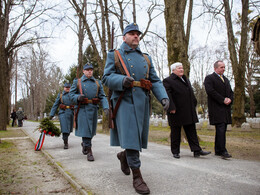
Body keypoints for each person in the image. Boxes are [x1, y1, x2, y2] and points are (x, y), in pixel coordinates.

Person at [102, 23, 169, 194]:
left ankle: (124, 156)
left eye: (137, 34)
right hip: (124, 101)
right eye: (131, 34)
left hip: (142, 102)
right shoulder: (115, 55)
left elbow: (154, 80)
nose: (135, 36)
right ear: (124, 37)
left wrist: (163, 97)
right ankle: (137, 177)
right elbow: (106, 78)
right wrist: (120, 80)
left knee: (135, 139)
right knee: (132, 138)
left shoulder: (146, 58)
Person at [163, 62, 211, 159]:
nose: (181, 69)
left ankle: (197, 150)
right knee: (176, 132)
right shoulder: (168, 81)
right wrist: (171, 107)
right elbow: (167, 95)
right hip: (176, 110)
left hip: (188, 110)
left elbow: (190, 92)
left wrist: (194, 102)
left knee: (191, 131)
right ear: (173, 70)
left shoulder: (185, 79)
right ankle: (175, 151)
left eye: (182, 68)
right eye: (179, 68)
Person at [70, 63, 109, 161]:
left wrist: (106, 107)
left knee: (91, 132)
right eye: (87, 70)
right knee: (87, 130)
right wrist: (78, 97)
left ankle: (85, 144)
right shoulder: (77, 82)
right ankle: (90, 152)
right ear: (83, 71)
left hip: (93, 109)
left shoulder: (97, 82)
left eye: (91, 70)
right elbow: (71, 95)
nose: (89, 71)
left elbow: (102, 96)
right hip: (82, 109)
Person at [204, 60, 233, 159]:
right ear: (215, 68)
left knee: (222, 129)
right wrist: (222, 99)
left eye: (224, 67)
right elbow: (210, 91)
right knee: (220, 128)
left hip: (225, 108)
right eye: (221, 67)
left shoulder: (226, 79)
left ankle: (218, 150)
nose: (223, 69)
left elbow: (230, 91)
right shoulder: (209, 78)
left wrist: (230, 99)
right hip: (216, 108)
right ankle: (223, 151)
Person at [49, 83, 74, 149]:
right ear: (64, 88)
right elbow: (55, 105)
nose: (67, 88)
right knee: (64, 128)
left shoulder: (73, 94)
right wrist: (51, 114)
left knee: (69, 130)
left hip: (71, 113)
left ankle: (65, 138)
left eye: (68, 87)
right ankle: (65, 143)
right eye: (66, 87)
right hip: (63, 113)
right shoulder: (60, 95)